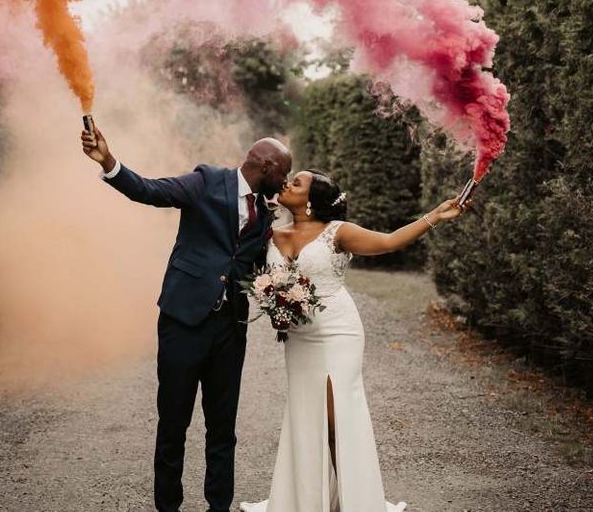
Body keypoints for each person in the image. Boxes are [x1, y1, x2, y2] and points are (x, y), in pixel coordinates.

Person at [81, 125, 292, 512]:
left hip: (230, 329)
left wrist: (284, 302)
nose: (286, 181)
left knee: (223, 428)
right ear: (265, 165)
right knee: (173, 422)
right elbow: (151, 190)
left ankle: (219, 506)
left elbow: (256, 269)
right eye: (283, 173)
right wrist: (109, 163)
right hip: (183, 322)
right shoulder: (207, 181)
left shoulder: (265, 213)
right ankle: (168, 507)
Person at [240, 169, 470, 512]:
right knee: (305, 413)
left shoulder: (337, 232)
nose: (287, 183)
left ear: (312, 202)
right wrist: (274, 305)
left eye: (297, 182)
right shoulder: (269, 234)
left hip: (338, 332)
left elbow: (390, 241)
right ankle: (307, 499)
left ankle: (353, 501)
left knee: (337, 415)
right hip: (300, 338)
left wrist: (434, 215)